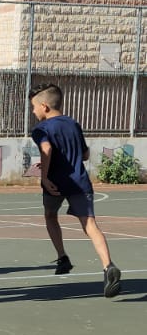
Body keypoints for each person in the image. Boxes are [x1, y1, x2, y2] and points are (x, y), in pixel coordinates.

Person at [30, 85, 122, 296]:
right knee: (90, 224)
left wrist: (44, 175)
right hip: (80, 182)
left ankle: (62, 257)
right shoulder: (73, 123)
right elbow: (85, 154)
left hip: (55, 184)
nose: (33, 112)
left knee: (50, 216)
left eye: (33, 107)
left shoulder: (41, 129)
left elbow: (47, 149)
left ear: (44, 106)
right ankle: (108, 266)